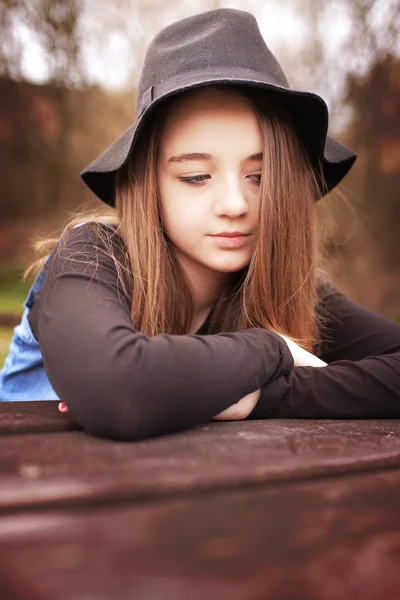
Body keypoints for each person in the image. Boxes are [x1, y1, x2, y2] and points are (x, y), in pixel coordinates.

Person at [0, 8, 399, 438]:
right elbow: (116, 391)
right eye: (196, 177)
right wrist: (274, 349)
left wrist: (271, 395)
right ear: (146, 183)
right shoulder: (94, 256)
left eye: (260, 177)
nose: (234, 204)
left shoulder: (291, 286)